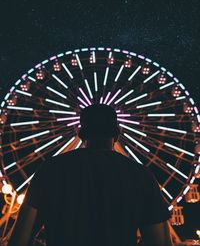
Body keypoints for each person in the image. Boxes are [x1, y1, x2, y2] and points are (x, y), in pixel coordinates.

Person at [9, 104, 173, 246]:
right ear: (117, 133)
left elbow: (21, 238)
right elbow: (160, 242)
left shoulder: (50, 169)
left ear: (81, 133)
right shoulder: (140, 174)